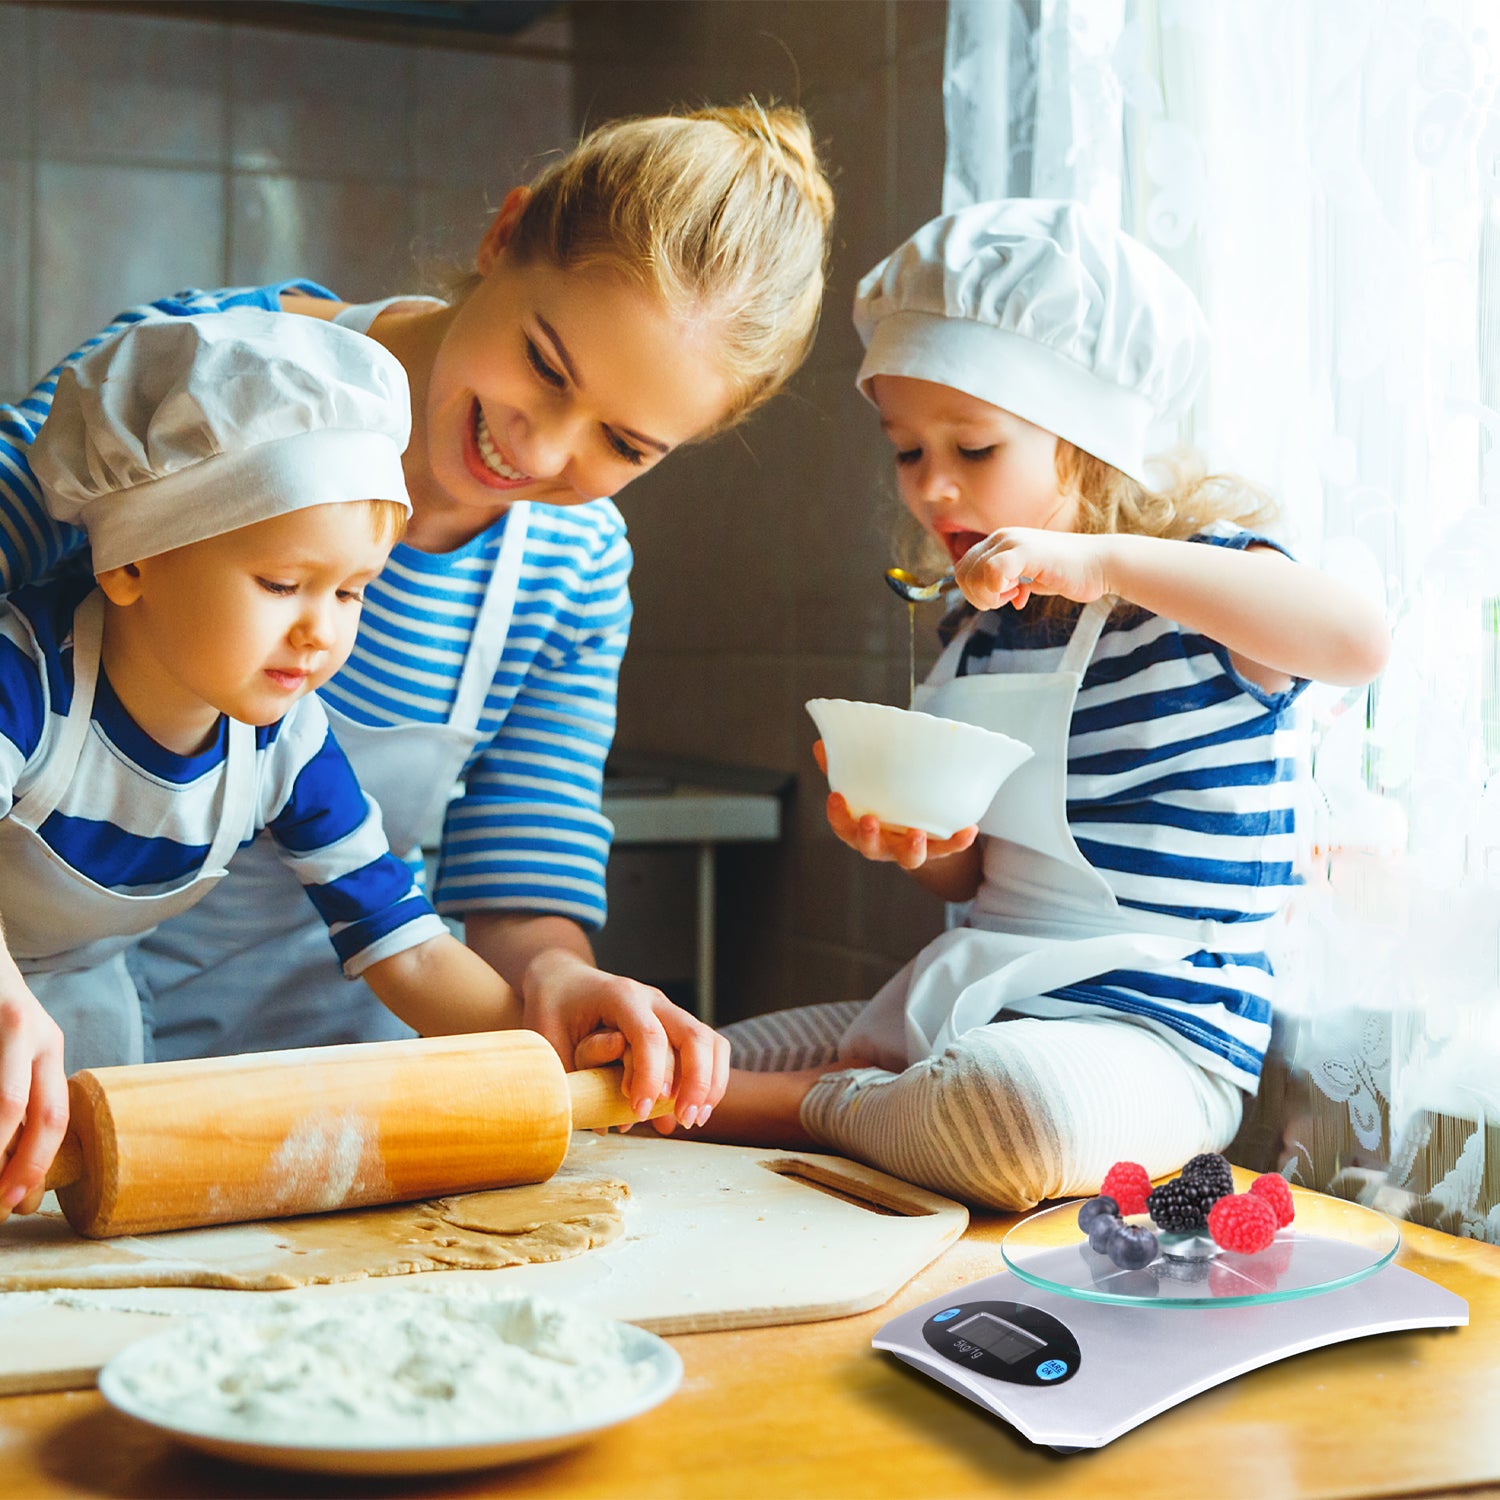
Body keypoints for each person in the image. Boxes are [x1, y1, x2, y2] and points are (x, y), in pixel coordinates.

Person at [0, 102, 833, 1134]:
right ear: (503, 235)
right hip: (42, 1072)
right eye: (545, 365)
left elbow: (514, 890)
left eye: (622, 443)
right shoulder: (198, 385)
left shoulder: (570, 565)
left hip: (351, 1100)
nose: (537, 452)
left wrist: (560, 986)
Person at [685, 199, 1391, 1211]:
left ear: (1090, 444)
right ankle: (791, 1095)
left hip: (1158, 1044)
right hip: (992, 998)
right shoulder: (979, 634)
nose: (932, 488)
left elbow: (1357, 640)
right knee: (713, 1049)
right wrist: (918, 844)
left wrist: (1100, 560)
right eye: (907, 450)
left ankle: (806, 1109)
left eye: (972, 450)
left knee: (1006, 1122)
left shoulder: (1200, 592)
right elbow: (975, 873)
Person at [0, 309, 610, 1217]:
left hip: (84, 1022)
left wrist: (559, 1053)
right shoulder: (27, 680)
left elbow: (403, 946)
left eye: (352, 590)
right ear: (132, 561)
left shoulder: (285, 741)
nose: (321, 630)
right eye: (282, 584)